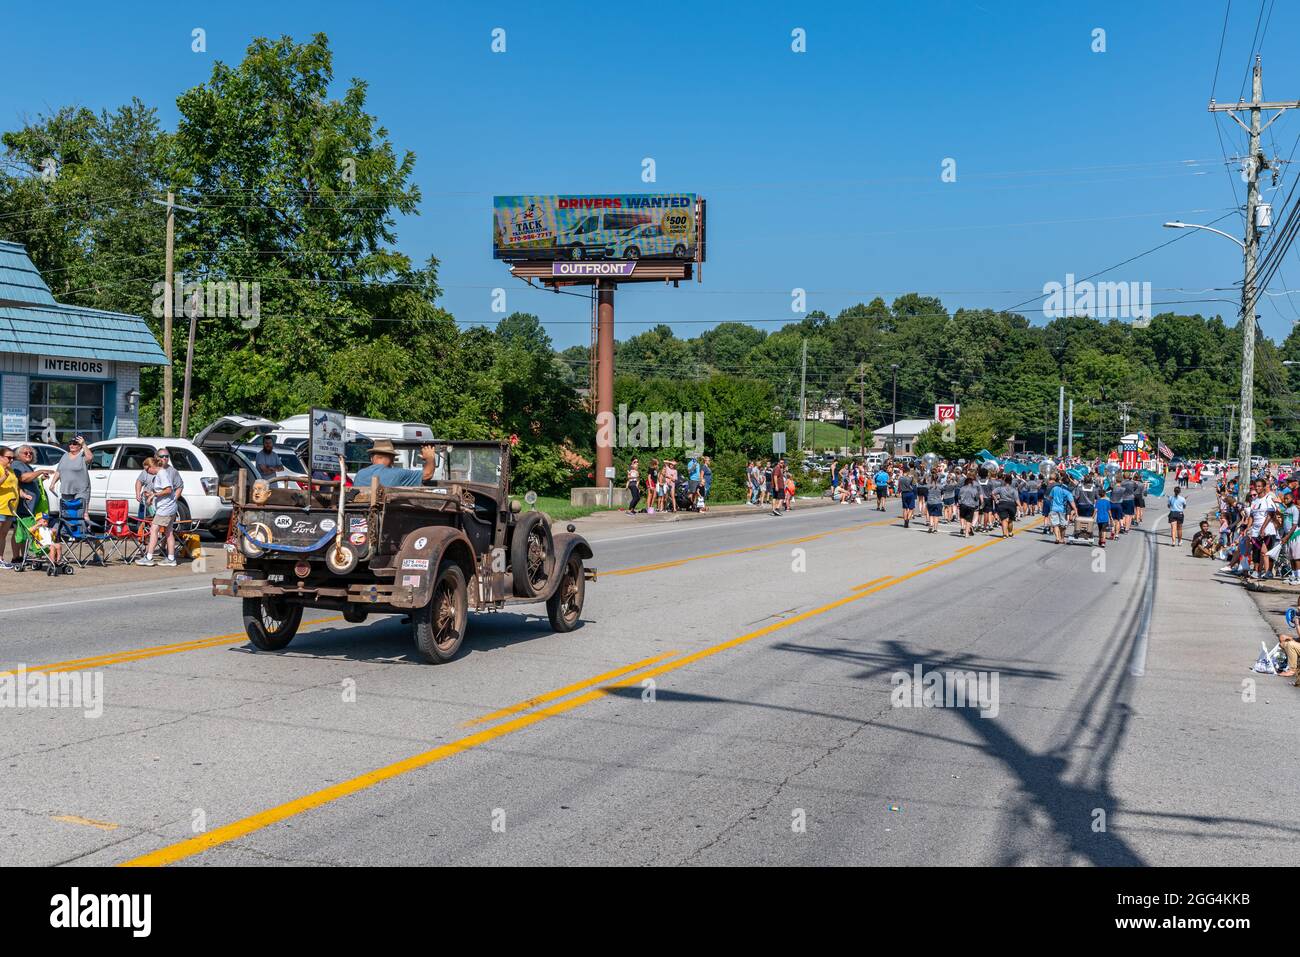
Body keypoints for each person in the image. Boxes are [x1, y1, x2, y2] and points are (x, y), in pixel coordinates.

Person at [137, 459, 179, 567]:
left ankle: (149, 557)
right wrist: (152, 493)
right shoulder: (161, 473)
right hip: (169, 507)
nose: (147, 472)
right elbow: (163, 490)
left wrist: (154, 495)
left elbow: (168, 490)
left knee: (154, 529)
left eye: (147, 469)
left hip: (165, 508)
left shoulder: (161, 474)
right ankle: (171, 558)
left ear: (152, 466)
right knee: (168, 532)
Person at [353, 439, 440, 487]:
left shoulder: (360, 474)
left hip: (361, 514)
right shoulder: (397, 474)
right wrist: (430, 457)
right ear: (392, 459)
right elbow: (427, 474)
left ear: (372, 458)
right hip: (388, 516)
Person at [49, 434, 92, 510]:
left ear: (79, 446)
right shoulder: (65, 455)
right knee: (68, 512)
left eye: (74, 444)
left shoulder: (82, 456)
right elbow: (59, 470)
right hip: (66, 489)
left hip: (81, 490)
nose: (71, 445)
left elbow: (90, 457)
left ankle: (83, 522)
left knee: (82, 512)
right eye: (70, 444)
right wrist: (52, 484)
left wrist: (83, 444)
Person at [0, 447, 17, 569]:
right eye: (8, 457)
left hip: (10, 508)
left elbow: (14, 487)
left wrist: (23, 494)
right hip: (0, 507)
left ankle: (0, 559)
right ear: (1, 457)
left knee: (3, 535)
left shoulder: (10, 470)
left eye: (13, 458)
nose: (11, 460)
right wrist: (3, 477)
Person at [1047, 476, 1076, 545]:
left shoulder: (1055, 488)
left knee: (1055, 524)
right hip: (1063, 510)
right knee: (1063, 526)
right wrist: (1075, 510)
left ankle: (1057, 538)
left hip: (1053, 508)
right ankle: (1062, 539)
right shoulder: (1068, 492)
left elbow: (1049, 497)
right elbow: (1072, 502)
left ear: (1062, 482)